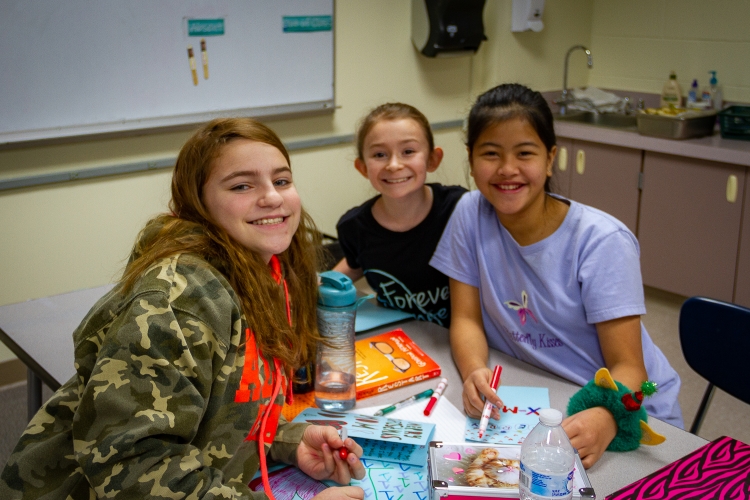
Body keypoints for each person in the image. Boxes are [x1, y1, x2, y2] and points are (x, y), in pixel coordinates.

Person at [0, 118, 365, 499]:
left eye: (282, 180)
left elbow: (215, 406)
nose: (272, 197)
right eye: (242, 185)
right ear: (197, 204)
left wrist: (288, 440)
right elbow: (134, 465)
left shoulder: (267, 269)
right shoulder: (181, 300)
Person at [430, 84, 683, 468]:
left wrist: (608, 414)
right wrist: (475, 371)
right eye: (491, 153)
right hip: (538, 389)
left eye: (524, 153)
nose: (507, 169)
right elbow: (466, 318)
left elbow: (630, 367)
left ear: (550, 159)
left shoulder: (602, 241)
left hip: (627, 408)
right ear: (470, 159)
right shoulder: (469, 212)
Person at [334, 103, 467, 327]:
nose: (394, 165)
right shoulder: (353, 227)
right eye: (379, 154)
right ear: (363, 167)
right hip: (398, 337)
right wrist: (321, 287)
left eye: (408, 151)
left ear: (432, 159)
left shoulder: (460, 208)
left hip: (458, 335)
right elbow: (357, 262)